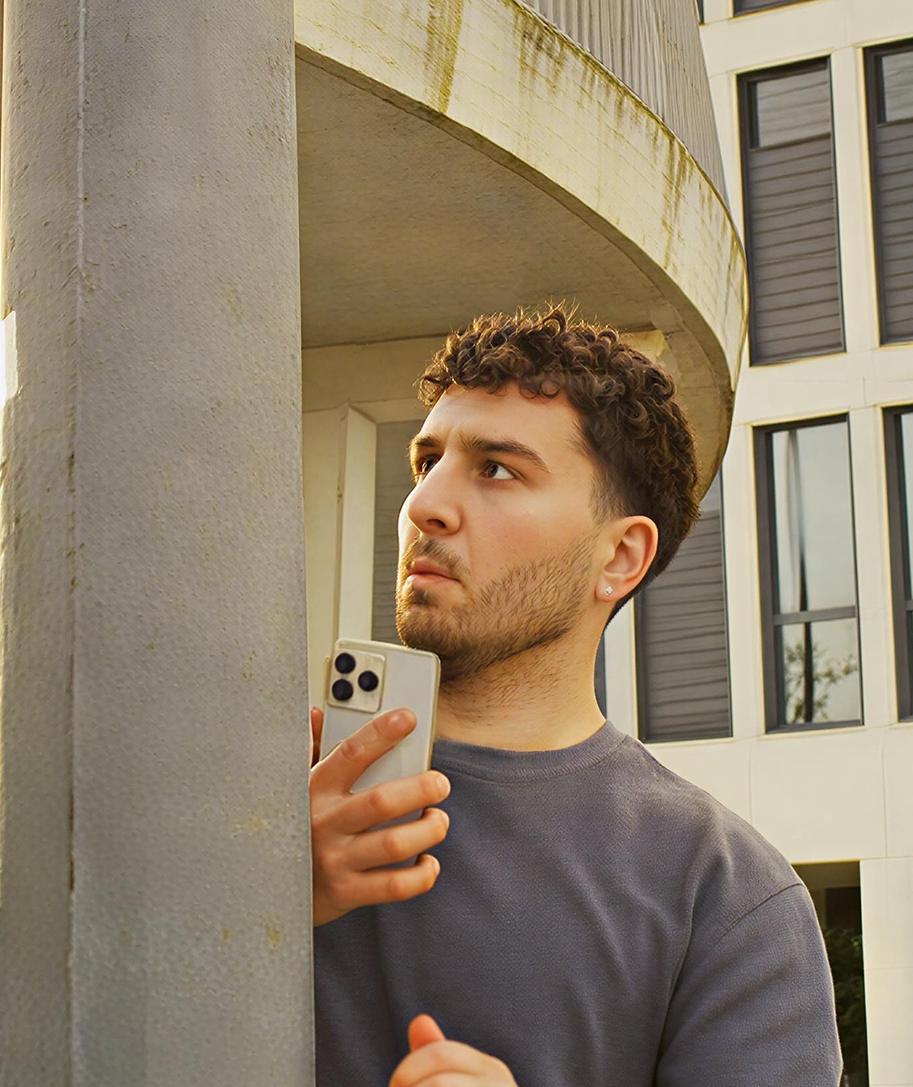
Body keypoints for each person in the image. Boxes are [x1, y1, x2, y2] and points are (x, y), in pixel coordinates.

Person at [309, 308, 842, 1087]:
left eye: (496, 468)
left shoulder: (724, 894)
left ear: (620, 555)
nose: (424, 504)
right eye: (427, 460)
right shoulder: (264, 797)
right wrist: (261, 899)